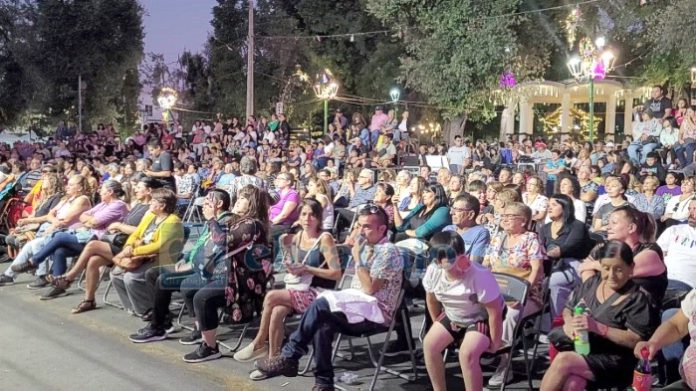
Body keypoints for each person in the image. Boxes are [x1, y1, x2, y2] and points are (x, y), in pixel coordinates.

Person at [254, 206, 403, 391]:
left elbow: (370, 288)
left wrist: (358, 259)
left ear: (382, 229)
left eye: (366, 227)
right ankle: (324, 382)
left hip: (377, 312)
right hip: (358, 305)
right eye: (359, 226)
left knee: (320, 304)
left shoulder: (388, 251)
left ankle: (290, 356)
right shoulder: (367, 245)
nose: (361, 231)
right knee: (322, 322)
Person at [235, 199, 341, 377]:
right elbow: (295, 263)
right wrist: (290, 261)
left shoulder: (325, 239)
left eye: (312, 215)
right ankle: (274, 360)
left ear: (319, 218)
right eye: (304, 214)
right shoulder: (298, 236)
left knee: (271, 297)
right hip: (299, 289)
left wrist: (307, 269)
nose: (308, 218)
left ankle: (259, 342)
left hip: (319, 295)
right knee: (276, 311)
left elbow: (336, 273)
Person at [541, 240, 659, 390]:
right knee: (574, 383)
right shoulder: (592, 284)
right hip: (585, 350)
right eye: (606, 268)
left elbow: (636, 339)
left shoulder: (638, 299)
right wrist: (570, 322)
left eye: (618, 269)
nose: (611, 275)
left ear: (631, 268)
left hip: (617, 360)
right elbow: (568, 308)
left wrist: (599, 328)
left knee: (564, 360)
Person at [177, 185, 272, 363]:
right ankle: (202, 331)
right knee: (189, 286)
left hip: (243, 281)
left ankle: (210, 347)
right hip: (227, 273)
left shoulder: (252, 225)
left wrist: (212, 218)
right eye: (238, 197)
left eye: (243, 198)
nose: (237, 201)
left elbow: (223, 243)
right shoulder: (237, 221)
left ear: (252, 203)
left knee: (202, 298)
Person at [128, 188, 233, 344]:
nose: (202, 206)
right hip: (191, 263)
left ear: (219, 203)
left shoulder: (224, 222)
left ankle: (158, 327)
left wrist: (190, 264)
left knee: (162, 280)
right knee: (152, 273)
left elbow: (216, 250)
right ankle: (163, 320)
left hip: (205, 270)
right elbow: (199, 246)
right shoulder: (210, 220)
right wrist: (186, 258)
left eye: (206, 202)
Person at [48, 178, 157, 313]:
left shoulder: (149, 210)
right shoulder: (137, 205)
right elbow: (87, 217)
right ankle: (89, 300)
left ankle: (69, 277)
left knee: (92, 245)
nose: (135, 189)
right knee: (93, 261)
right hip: (120, 242)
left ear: (149, 191)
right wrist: (118, 227)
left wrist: (119, 226)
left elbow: (141, 232)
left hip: (130, 247)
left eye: (139, 187)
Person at [12, 180, 130, 299]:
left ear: (110, 192)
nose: (100, 191)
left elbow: (94, 222)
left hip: (100, 242)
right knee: (60, 250)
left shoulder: (118, 205)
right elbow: (83, 216)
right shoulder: (104, 204)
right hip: (88, 236)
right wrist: (89, 221)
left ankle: (34, 261)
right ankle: (59, 286)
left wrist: (90, 221)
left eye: (102, 189)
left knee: (60, 236)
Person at [421, 231, 504, 391]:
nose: (458, 266)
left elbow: (495, 312)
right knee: (429, 345)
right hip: (453, 314)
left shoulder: (479, 275)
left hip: (480, 318)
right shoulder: (434, 271)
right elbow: (431, 300)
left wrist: (495, 343)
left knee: (467, 355)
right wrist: (437, 322)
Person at [482, 202, 544, 387]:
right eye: (504, 215)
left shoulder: (530, 239)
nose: (505, 218)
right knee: (475, 306)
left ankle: (504, 365)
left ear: (523, 221)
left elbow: (537, 269)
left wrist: (522, 295)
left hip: (525, 293)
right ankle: (483, 348)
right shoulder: (498, 237)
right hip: (497, 290)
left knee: (511, 314)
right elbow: (486, 265)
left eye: (510, 216)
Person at [4, 175, 92, 289]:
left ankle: (42, 275)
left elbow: (65, 221)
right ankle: (9, 275)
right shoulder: (66, 199)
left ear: (80, 187)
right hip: (57, 230)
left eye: (71, 185)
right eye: (68, 184)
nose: (67, 186)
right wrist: (54, 222)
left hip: (71, 234)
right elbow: (50, 214)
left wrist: (54, 223)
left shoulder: (82, 199)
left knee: (35, 244)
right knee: (30, 245)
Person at [110, 188, 185, 316]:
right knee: (115, 274)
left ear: (162, 205)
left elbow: (159, 246)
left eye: (153, 200)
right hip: (143, 256)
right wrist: (128, 245)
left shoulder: (173, 221)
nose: (150, 202)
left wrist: (133, 252)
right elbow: (137, 233)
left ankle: (149, 310)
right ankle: (133, 307)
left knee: (131, 278)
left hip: (163, 259)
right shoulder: (150, 216)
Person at [581, 206, 667, 304]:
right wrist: (593, 296)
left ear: (631, 228)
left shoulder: (651, 251)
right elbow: (584, 268)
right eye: (608, 222)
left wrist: (593, 265)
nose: (608, 227)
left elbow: (623, 271)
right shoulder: (603, 248)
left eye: (614, 223)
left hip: (637, 310)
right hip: (601, 305)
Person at [540, 194, 593, 318]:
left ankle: (558, 322)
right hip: (550, 266)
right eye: (548, 205)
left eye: (554, 204)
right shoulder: (545, 228)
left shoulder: (577, 226)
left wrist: (548, 254)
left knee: (553, 282)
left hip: (574, 265)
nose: (549, 208)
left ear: (565, 207)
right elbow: (539, 247)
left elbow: (568, 247)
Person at [393, 183, 451, 250]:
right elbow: (400, 227)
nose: (424, 195)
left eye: (427, 192)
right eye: (423, 192)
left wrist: (405, 232)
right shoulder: (420, 207)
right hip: (411, 244)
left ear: (436, 194)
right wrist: (395, 206)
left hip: (429, 248)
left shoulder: (443, 210)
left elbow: (421, 232)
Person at [442, 194, 490, 263]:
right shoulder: (447, 230)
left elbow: (475, 264)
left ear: (471, 214)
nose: (451, 212)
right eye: (452, 209)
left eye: (458, 210)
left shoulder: (480, 233)